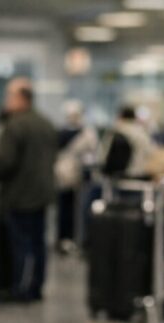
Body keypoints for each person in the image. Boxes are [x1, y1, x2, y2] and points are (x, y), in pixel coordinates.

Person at [0, 78, 57, 302]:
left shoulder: (14, 125)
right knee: (39, 244)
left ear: (21, 98)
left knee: (21, 245)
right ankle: (36, 287)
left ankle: (20, 288)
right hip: (43, 193)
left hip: (20, 195)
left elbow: (5, 163)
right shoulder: (46, 123)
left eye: (10, 96)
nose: (6, 101)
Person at [54, 100, 98, 254]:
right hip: (66, 177)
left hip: (81, 178)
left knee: (80, 209)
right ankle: (66, 238)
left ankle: (78, 238)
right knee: (66, 209)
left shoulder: (86, 132)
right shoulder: (65, 133)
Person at [99, 105, 156, 179]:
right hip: (140, 175)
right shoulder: (142, 133)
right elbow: (151, 152)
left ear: (120, 116)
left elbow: (102, 155)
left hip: (119, 176)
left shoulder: (115, 132)